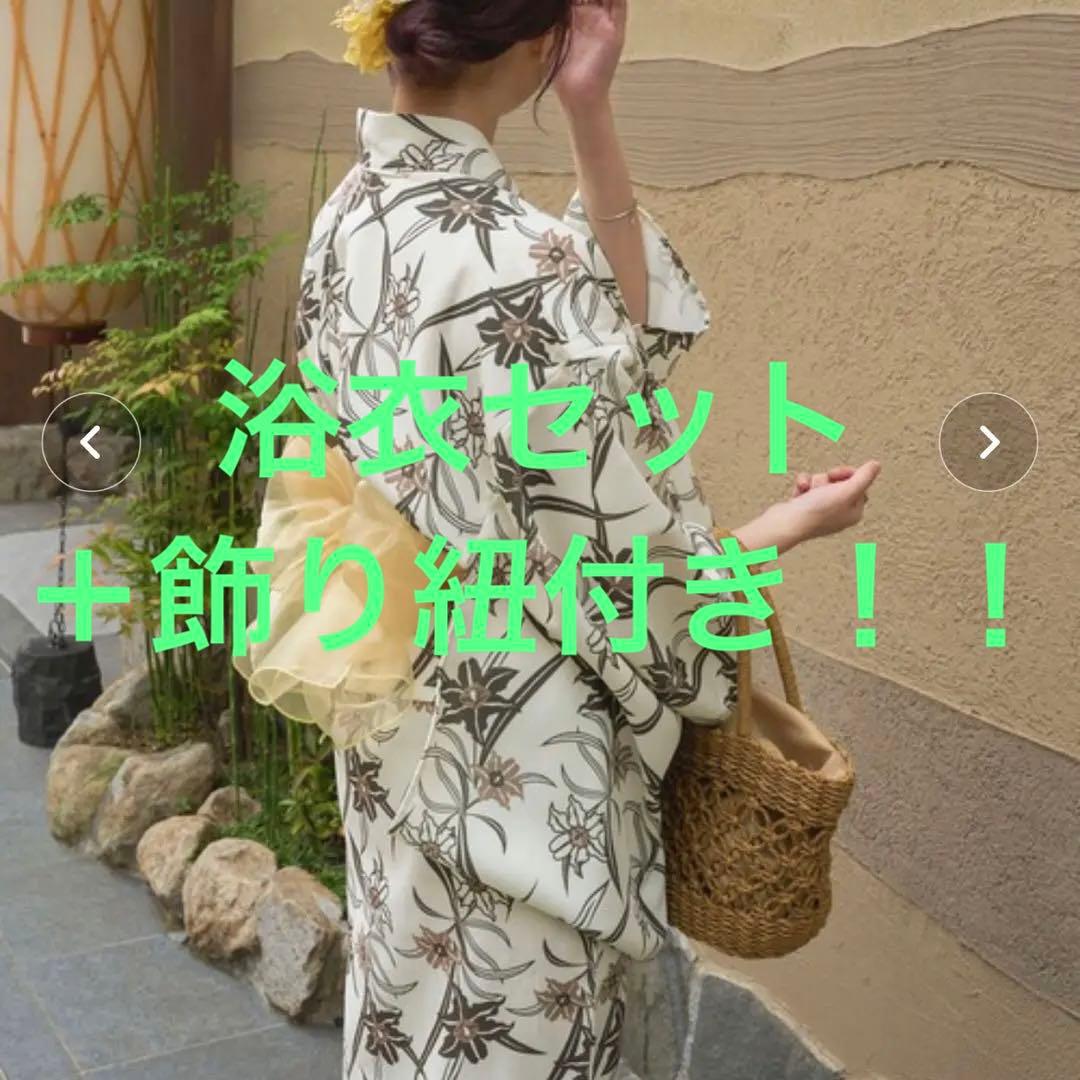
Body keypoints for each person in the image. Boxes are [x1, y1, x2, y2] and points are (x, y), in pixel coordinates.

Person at [259, 1, 880, 1076]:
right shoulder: (517, 262)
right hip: (520, 763)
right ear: (537, 40)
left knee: (412, 1023)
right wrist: (785, 527)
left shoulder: (355, 211)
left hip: (402, 713)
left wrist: (590, 108)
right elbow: (624, 567)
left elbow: (614, 336)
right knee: (511, 1038)